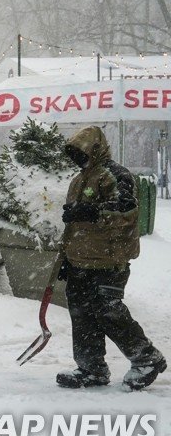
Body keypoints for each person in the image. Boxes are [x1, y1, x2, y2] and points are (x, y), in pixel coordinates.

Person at [57, 125, 166, 391]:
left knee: (109, 311)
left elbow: (127, 214)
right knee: (82, 314)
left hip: (109, 261)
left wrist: (92, 212)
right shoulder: (78, 180)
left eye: (81, 152)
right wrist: (65, 259)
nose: (78, 158)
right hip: (79, 261)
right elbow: (73, 228)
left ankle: (147, 358)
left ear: (95, 149)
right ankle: (91, 369)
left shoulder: (116, 175)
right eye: (74, 153)